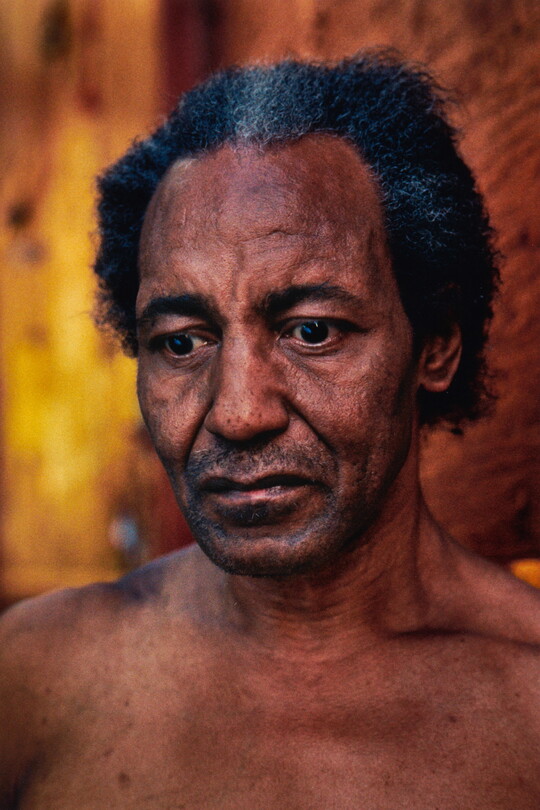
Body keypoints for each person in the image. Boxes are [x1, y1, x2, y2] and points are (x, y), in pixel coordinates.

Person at [1, 52, 539, 809]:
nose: (238, 413)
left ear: (436, 344)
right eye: (182, 342)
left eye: (312, 330)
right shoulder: (34, 678)